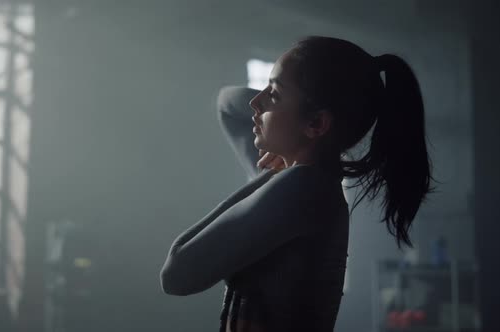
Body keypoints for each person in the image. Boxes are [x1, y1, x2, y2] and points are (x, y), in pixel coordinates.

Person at [159, 35, 435, 332]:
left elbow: (177, 273)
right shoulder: (308, 182)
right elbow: (226, 104)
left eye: (274, 95)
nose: (255, 102)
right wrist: (279, 153)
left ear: (316, 124)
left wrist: (268, 177)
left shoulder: (302, 187)